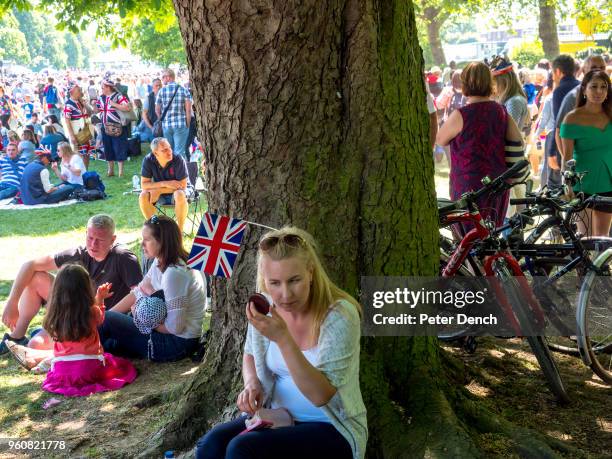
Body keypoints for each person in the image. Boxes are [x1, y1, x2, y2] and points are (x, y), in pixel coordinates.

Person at [195, 227, 367, 459]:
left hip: (330, 425)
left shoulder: (339, 314)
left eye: (294, 280)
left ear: (311, 272)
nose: (285, 294)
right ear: (264, 281)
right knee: (212, 444)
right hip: (277, 417)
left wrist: (283, 339)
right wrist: (252, 383)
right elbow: (250, 354)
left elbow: (321, 395)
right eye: (274, 283)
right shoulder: (264, 307)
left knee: (243, 449)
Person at [0, 214, 143, 353]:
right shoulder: (79, 253)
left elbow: (139, 293)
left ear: (112, 239)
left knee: (35, 345)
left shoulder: (123, 257)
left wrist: (108, 317)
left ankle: (55, 347)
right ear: (86, 233)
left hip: (100, 323)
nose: (93, 244)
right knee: (36, 277)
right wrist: (12, 303)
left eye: (100, 240)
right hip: (75, 314)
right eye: (90, 238)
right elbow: (29, 265)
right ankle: (17, 336)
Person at [5, 264, 137, 393]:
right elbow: (101, 319)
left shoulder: (54, 315)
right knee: (115, 362)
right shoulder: (92, 312)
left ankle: (44, 362)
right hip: (89, 369)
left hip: (62, 372)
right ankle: (42, 361)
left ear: (57, 291)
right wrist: (100, 299)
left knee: (47, 342)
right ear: (86, 289)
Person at [99, 216, 206, 362]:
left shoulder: (174, 273)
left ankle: (81, 356)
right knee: (109, 335)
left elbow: (175, 328)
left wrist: (141, 319)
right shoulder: (161, 261)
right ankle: (81, 353)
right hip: (166, 335)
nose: (142, 244)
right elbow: (138, 292)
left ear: (162, 242)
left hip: (178, 344)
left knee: (108, 320)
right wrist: (103, 318)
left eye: (147, 239)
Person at [436, 61, 524, 228]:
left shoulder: (461, 114)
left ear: (465, 83)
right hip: (497, 181)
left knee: (469, 236)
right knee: (491, 234)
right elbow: (517, 139)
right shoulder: (501, 111)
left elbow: (440, 139)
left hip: (468, 184)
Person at [560, 70, 612, 237]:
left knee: (602, 241)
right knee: (586, 239)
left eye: (603, 87)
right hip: (582, 185)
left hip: (608, 184)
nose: (599, 91)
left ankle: (600, 264)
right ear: (584, 89)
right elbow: (566, 157)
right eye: (594, 86)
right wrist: (567, 185)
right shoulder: (571, 118)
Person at [555, 55, 606, 158]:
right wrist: (568, 165)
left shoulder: (609, 94)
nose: (598, 71)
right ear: (584, 71)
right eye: (593, 67)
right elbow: (559, 131)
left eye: (602, 68)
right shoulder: (573, 97)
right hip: (583, 163)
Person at [139, 137, 189, 232]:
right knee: (143, 195)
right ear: (156, 153)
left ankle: (179, 231)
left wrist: (159, 190)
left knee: (179, 194)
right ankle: (154, 229)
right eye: (164, 150)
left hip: (180, 192)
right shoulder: (148, 160)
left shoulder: (177, 159)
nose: (169, 152)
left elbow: (183, 186)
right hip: (160, 195)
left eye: (169, 148)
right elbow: (144, 185)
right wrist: (166, 183)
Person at [548, 54, 579, 189]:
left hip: (565, 144)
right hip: (582, 140)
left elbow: (558, 123)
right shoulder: (581, 86)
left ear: (558, 71)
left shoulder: (560, 90)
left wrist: (551, 151)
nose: (553, 77)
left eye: (553, 73)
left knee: (566, 186)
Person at [95, 78, 132, 177]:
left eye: (103, 87)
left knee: (119, 148)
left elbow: (127, 107)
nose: (101, 89)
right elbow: (97, 110)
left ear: (108, 87)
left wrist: (113, 104)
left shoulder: (118, 96)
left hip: (117, 127)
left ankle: (120, 172)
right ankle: (110, 170)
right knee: (107, 148)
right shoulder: (101, 98)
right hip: (105, 127)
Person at [156, 68, 192, 157]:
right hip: (180, 124)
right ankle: (180, 170)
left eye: (163, 77)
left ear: (169, 77)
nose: (162, 79)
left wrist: (162, 120)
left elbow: (157, 110)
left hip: (167, 125)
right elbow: (188, 110)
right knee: (179, 151)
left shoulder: (161, 91)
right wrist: (187, 123)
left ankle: (171, 170)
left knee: (169, 151)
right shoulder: (184, 90)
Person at [63, 81, 95, 168]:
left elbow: (90, 113)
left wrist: (85, 104)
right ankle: (80, 174)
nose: (81, 93)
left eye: (80, 91)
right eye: (78, 91)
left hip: (86, 131)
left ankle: (85, 173)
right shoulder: (68, 105)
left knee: (86, 154)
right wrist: (72, 136)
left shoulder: (81, 101)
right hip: (77, 133)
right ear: (72, 93)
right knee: (79, 155)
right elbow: (67, 121)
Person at [138, 78, 162, 143]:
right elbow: (144, 114)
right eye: (156, 85)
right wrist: (151, 127)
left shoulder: (165, 96)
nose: (159, 87)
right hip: (152, 125)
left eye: (160, 85)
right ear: (153, 87)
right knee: (155, 147)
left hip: (164, 126)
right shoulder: (149, 98)